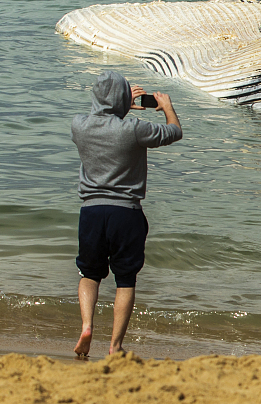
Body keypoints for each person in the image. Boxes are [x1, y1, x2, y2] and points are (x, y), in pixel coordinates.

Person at [71, 70, 182, 357]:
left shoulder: (79, 126)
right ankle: (115, 345)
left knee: (89, 273)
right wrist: (167, 107)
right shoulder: (133, 128)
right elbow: (173, 132)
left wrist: (117, 107)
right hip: (126, 213)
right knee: (125, 279)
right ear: (123, 100)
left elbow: (101, 120)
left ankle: (86, 326)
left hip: (91, 212)